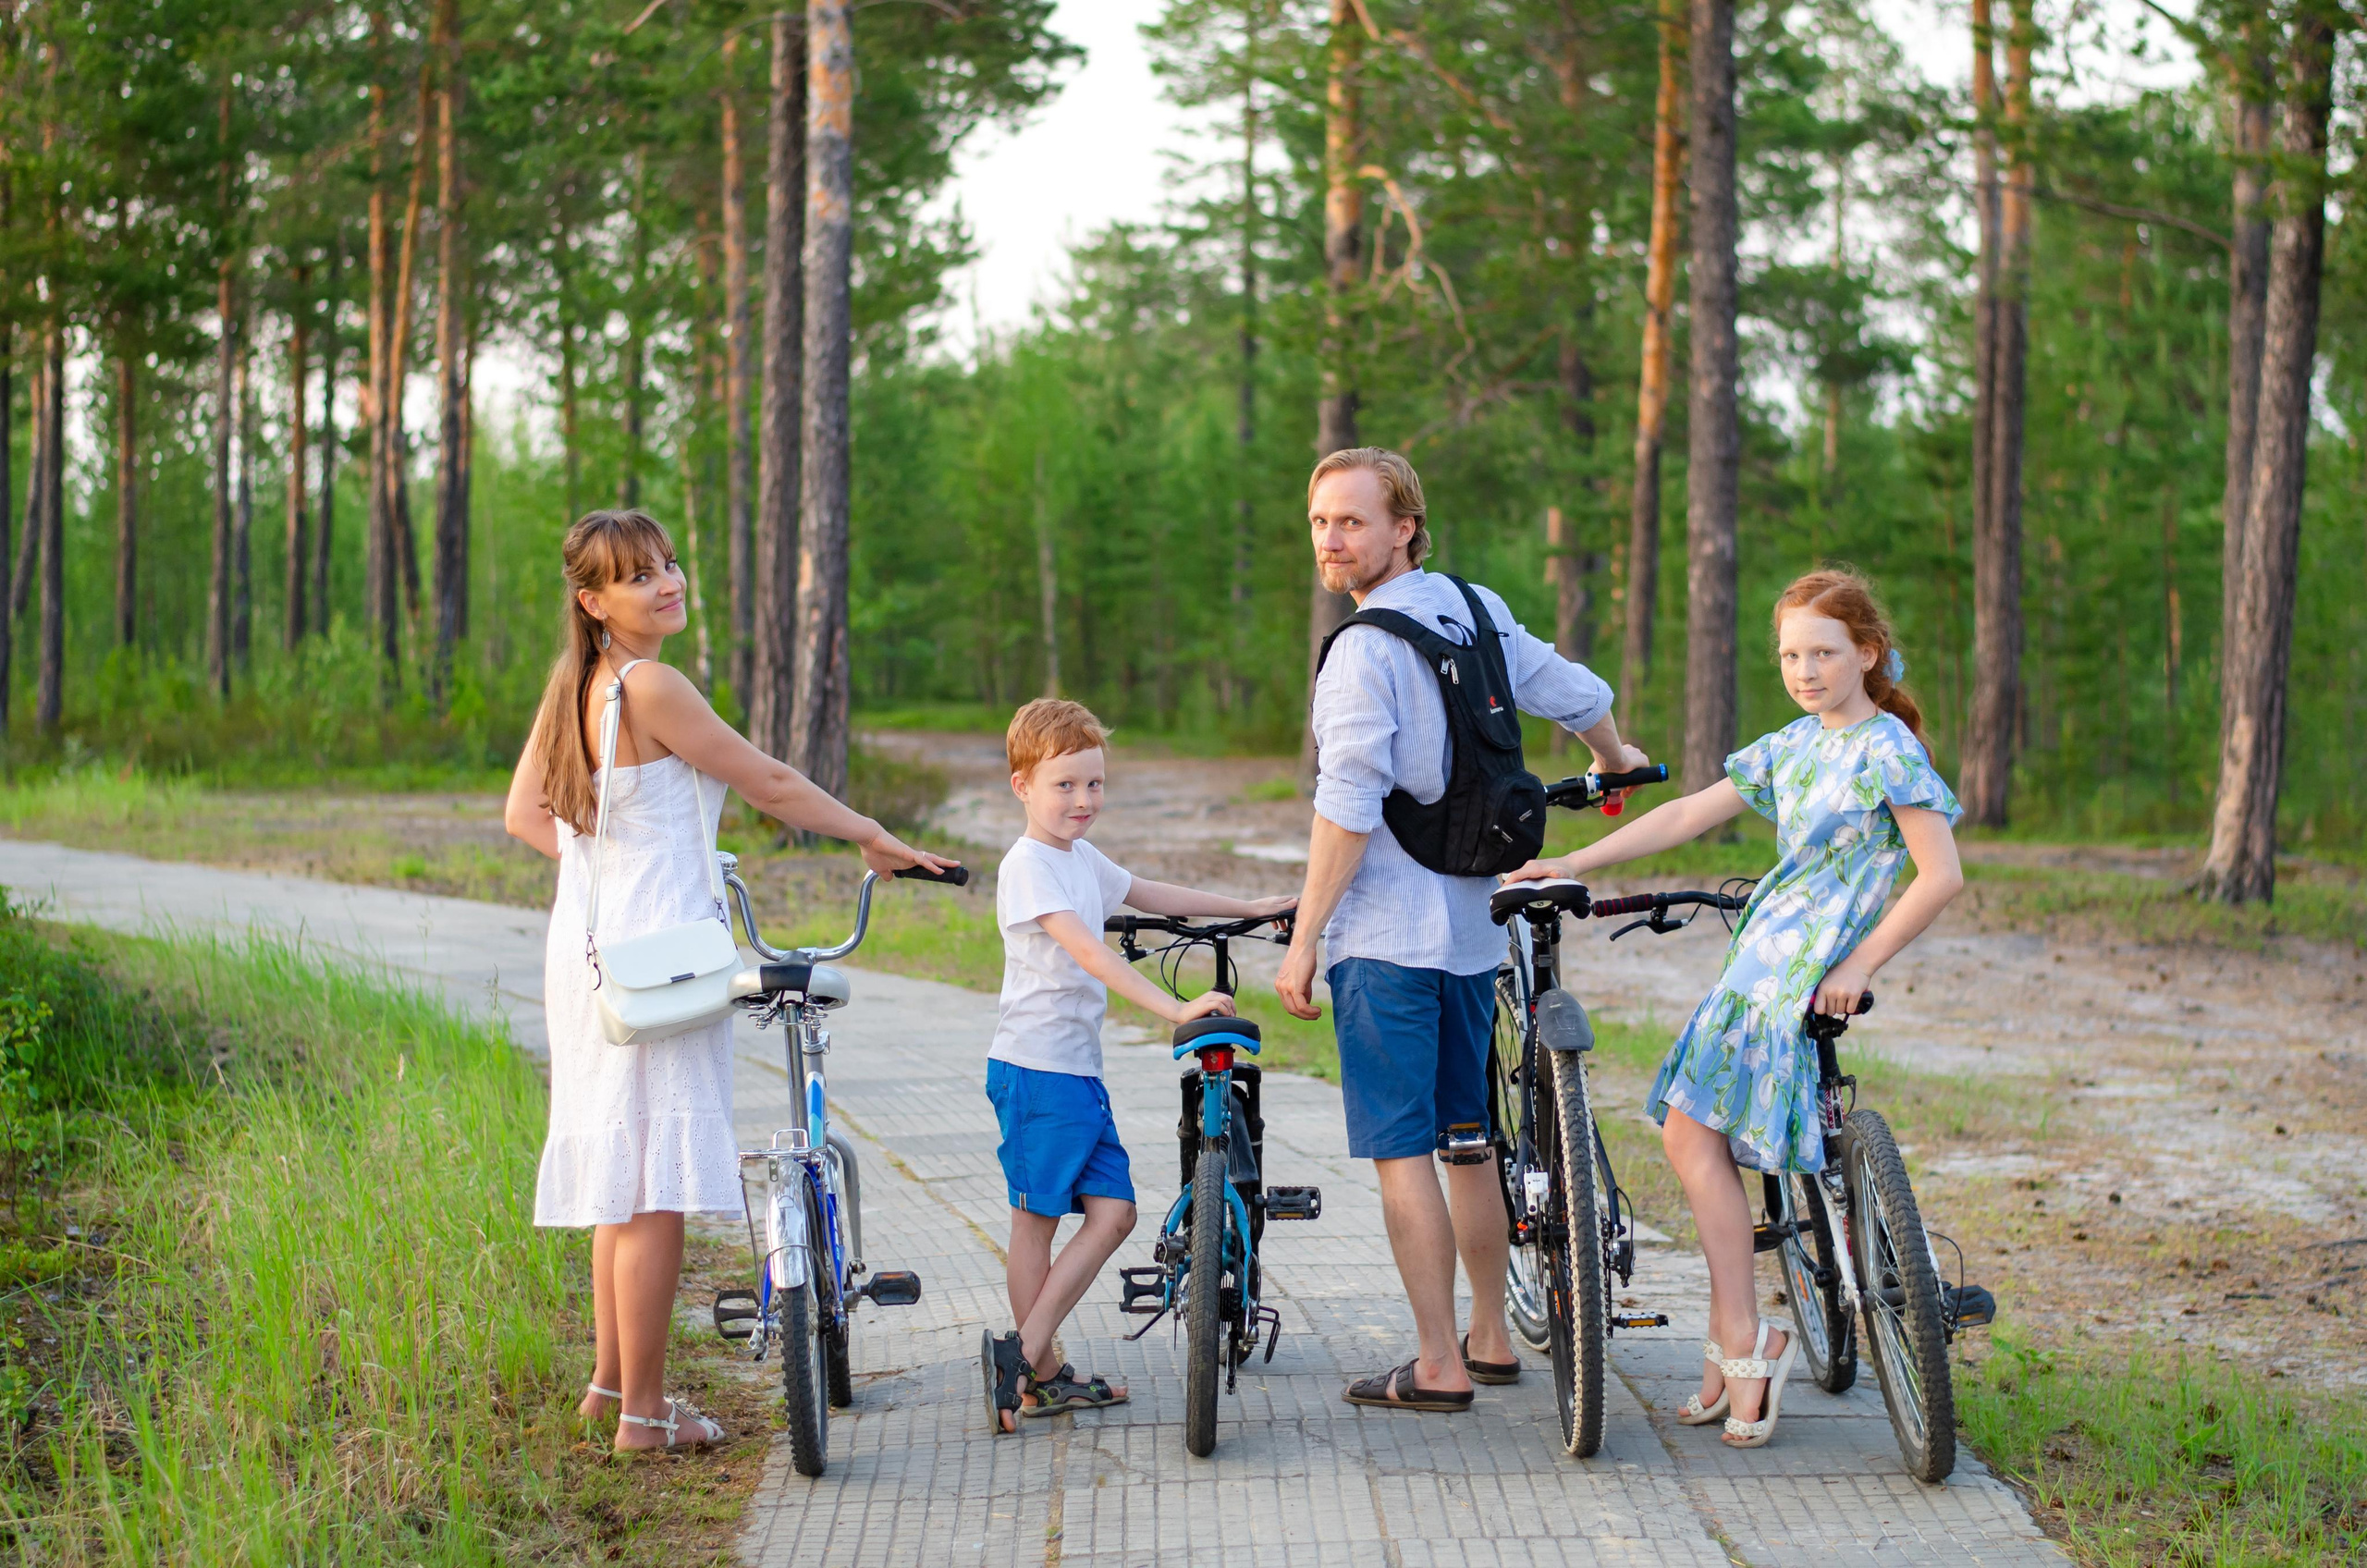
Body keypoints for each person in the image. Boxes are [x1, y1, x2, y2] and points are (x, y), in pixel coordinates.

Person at [505, 509, 955, 1456]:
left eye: (669, 564)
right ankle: (646, 1415)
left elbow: (526, 817)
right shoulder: (653, 684)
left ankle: (607, 1386)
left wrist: (610, 868)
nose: (666, 582)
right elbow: (770, 783)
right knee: (656, 1187)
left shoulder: (576, 685)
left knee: (622, 1181)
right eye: (637, 576)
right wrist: (868, 832)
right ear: (593, 600)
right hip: (660, 953)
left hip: (592, 948)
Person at [1502, 567, 1964, 1447]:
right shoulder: (1794, 744)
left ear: (1867, 654)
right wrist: (1576, 864)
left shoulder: (1887, 749)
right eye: (1792, 654)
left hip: (1799, 965)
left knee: (1689, 1130)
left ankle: (1744, 1338)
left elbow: (1940, 875)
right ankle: (1738, 1332)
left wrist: (1860, 963)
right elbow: (1684, 816)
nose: (1806, 670)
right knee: (1691, 1133)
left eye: (1825, 653)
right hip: (1762, 957)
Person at [1272, 447, 1650, 1414]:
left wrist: (1306, 935)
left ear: (1403, 526)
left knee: (1406, 1152)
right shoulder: (1474, 608)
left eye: (1350, 521)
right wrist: (1614, 757)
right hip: (1473, 937)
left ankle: (1437, 1363)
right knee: (1470, 1143)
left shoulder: (1362, 650)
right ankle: (1489, 1334)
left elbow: (1346, 805)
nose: (1330, 539)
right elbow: (1572, 689)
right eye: (1319, 522)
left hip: (1387, 944)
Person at [981, 698, 1296, 1434]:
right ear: (1022, 785)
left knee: (1114, 1214)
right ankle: (1032, 1365)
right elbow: (1088, 952)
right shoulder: (1029, 867)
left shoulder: (1079, 859)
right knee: (1035, 1221)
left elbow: (1153, 896)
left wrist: (1246, 908)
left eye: (1094, 784)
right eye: (1065, 786)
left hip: (1073, 1072)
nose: (1084, 800)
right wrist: (1174, 1010)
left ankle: (1028, 1363)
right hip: (1035, 1070)